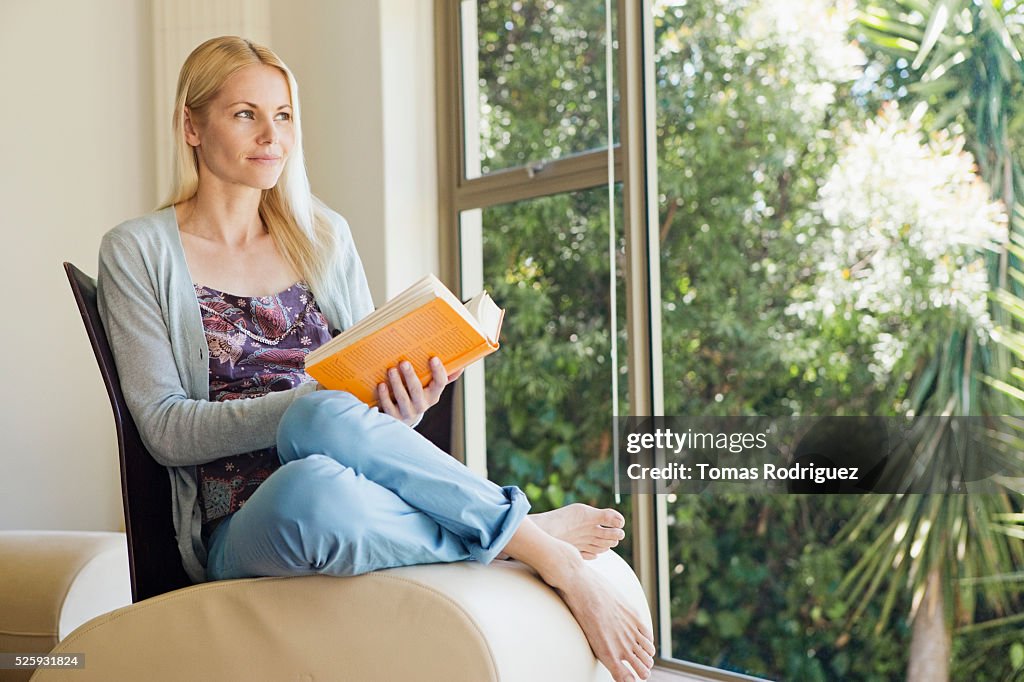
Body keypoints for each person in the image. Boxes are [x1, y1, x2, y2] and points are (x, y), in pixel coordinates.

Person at [97, 35, 654, 681]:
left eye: (282, 115)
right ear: (192, 125)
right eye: (244, 113)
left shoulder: (323, 237)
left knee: (321, 429)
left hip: (352, 489)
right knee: (312, 430)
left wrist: (403, 403)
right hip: (245, 523)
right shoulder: (138, 250)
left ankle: (513, 533)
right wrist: (308, 408)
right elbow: (164, 429)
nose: (270, 134)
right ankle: (536, 543)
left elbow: (370, 421)